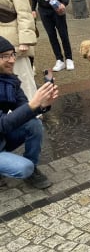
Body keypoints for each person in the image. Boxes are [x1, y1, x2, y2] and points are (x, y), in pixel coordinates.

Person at [0, 36, 57, 189]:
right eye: (4, 56)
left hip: (2, 139)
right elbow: (2, 124)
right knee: (23, 168)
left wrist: (42, 105)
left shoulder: (10, 81)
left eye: (12, 54)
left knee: (34, 124)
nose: (12, 60)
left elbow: (24, 109)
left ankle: (32, 169)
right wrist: (33, 105)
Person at [0, 0, 37, 101]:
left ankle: (32, 113)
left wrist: (25, 40)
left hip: (14, 42)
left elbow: (24, 12)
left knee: (23, 79)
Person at [27, 0, 74, 72]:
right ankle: (59, 60)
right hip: (43, 10)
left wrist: (63, 3)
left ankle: (69, 58)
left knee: (63, 34)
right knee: (51, 36)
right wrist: (33, 9)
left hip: (57, 8)